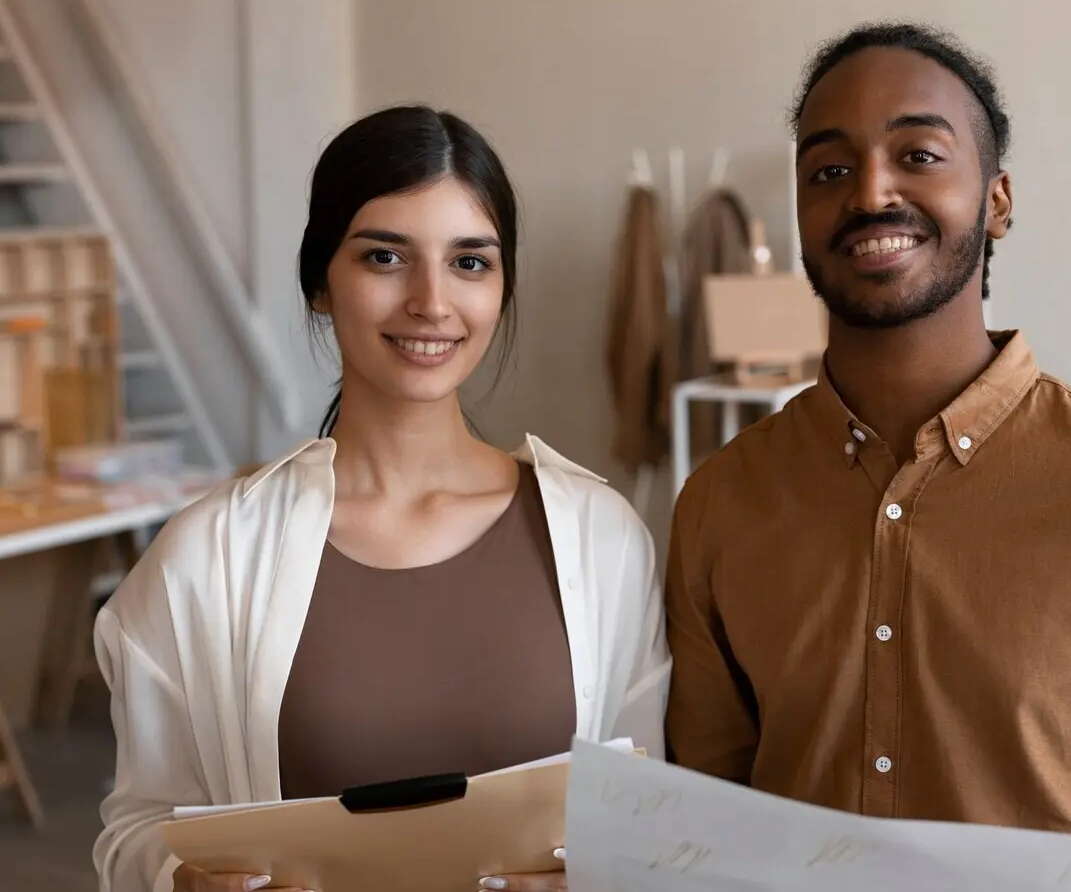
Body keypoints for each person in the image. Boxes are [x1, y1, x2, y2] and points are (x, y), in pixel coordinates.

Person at [663, 20, 1071, 886]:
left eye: (919, 155)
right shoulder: (720, 503)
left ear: (998, 199)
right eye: (829, 170)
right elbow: (704, 818)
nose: (869, 194)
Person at [93, 105, 670, 892]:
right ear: (321, 282)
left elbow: (648, 824)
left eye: (471, 263)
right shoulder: (208, 557)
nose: (431, 302)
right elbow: (137, 829)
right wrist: (179, 880)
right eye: (385, 258)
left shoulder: (605, 541)